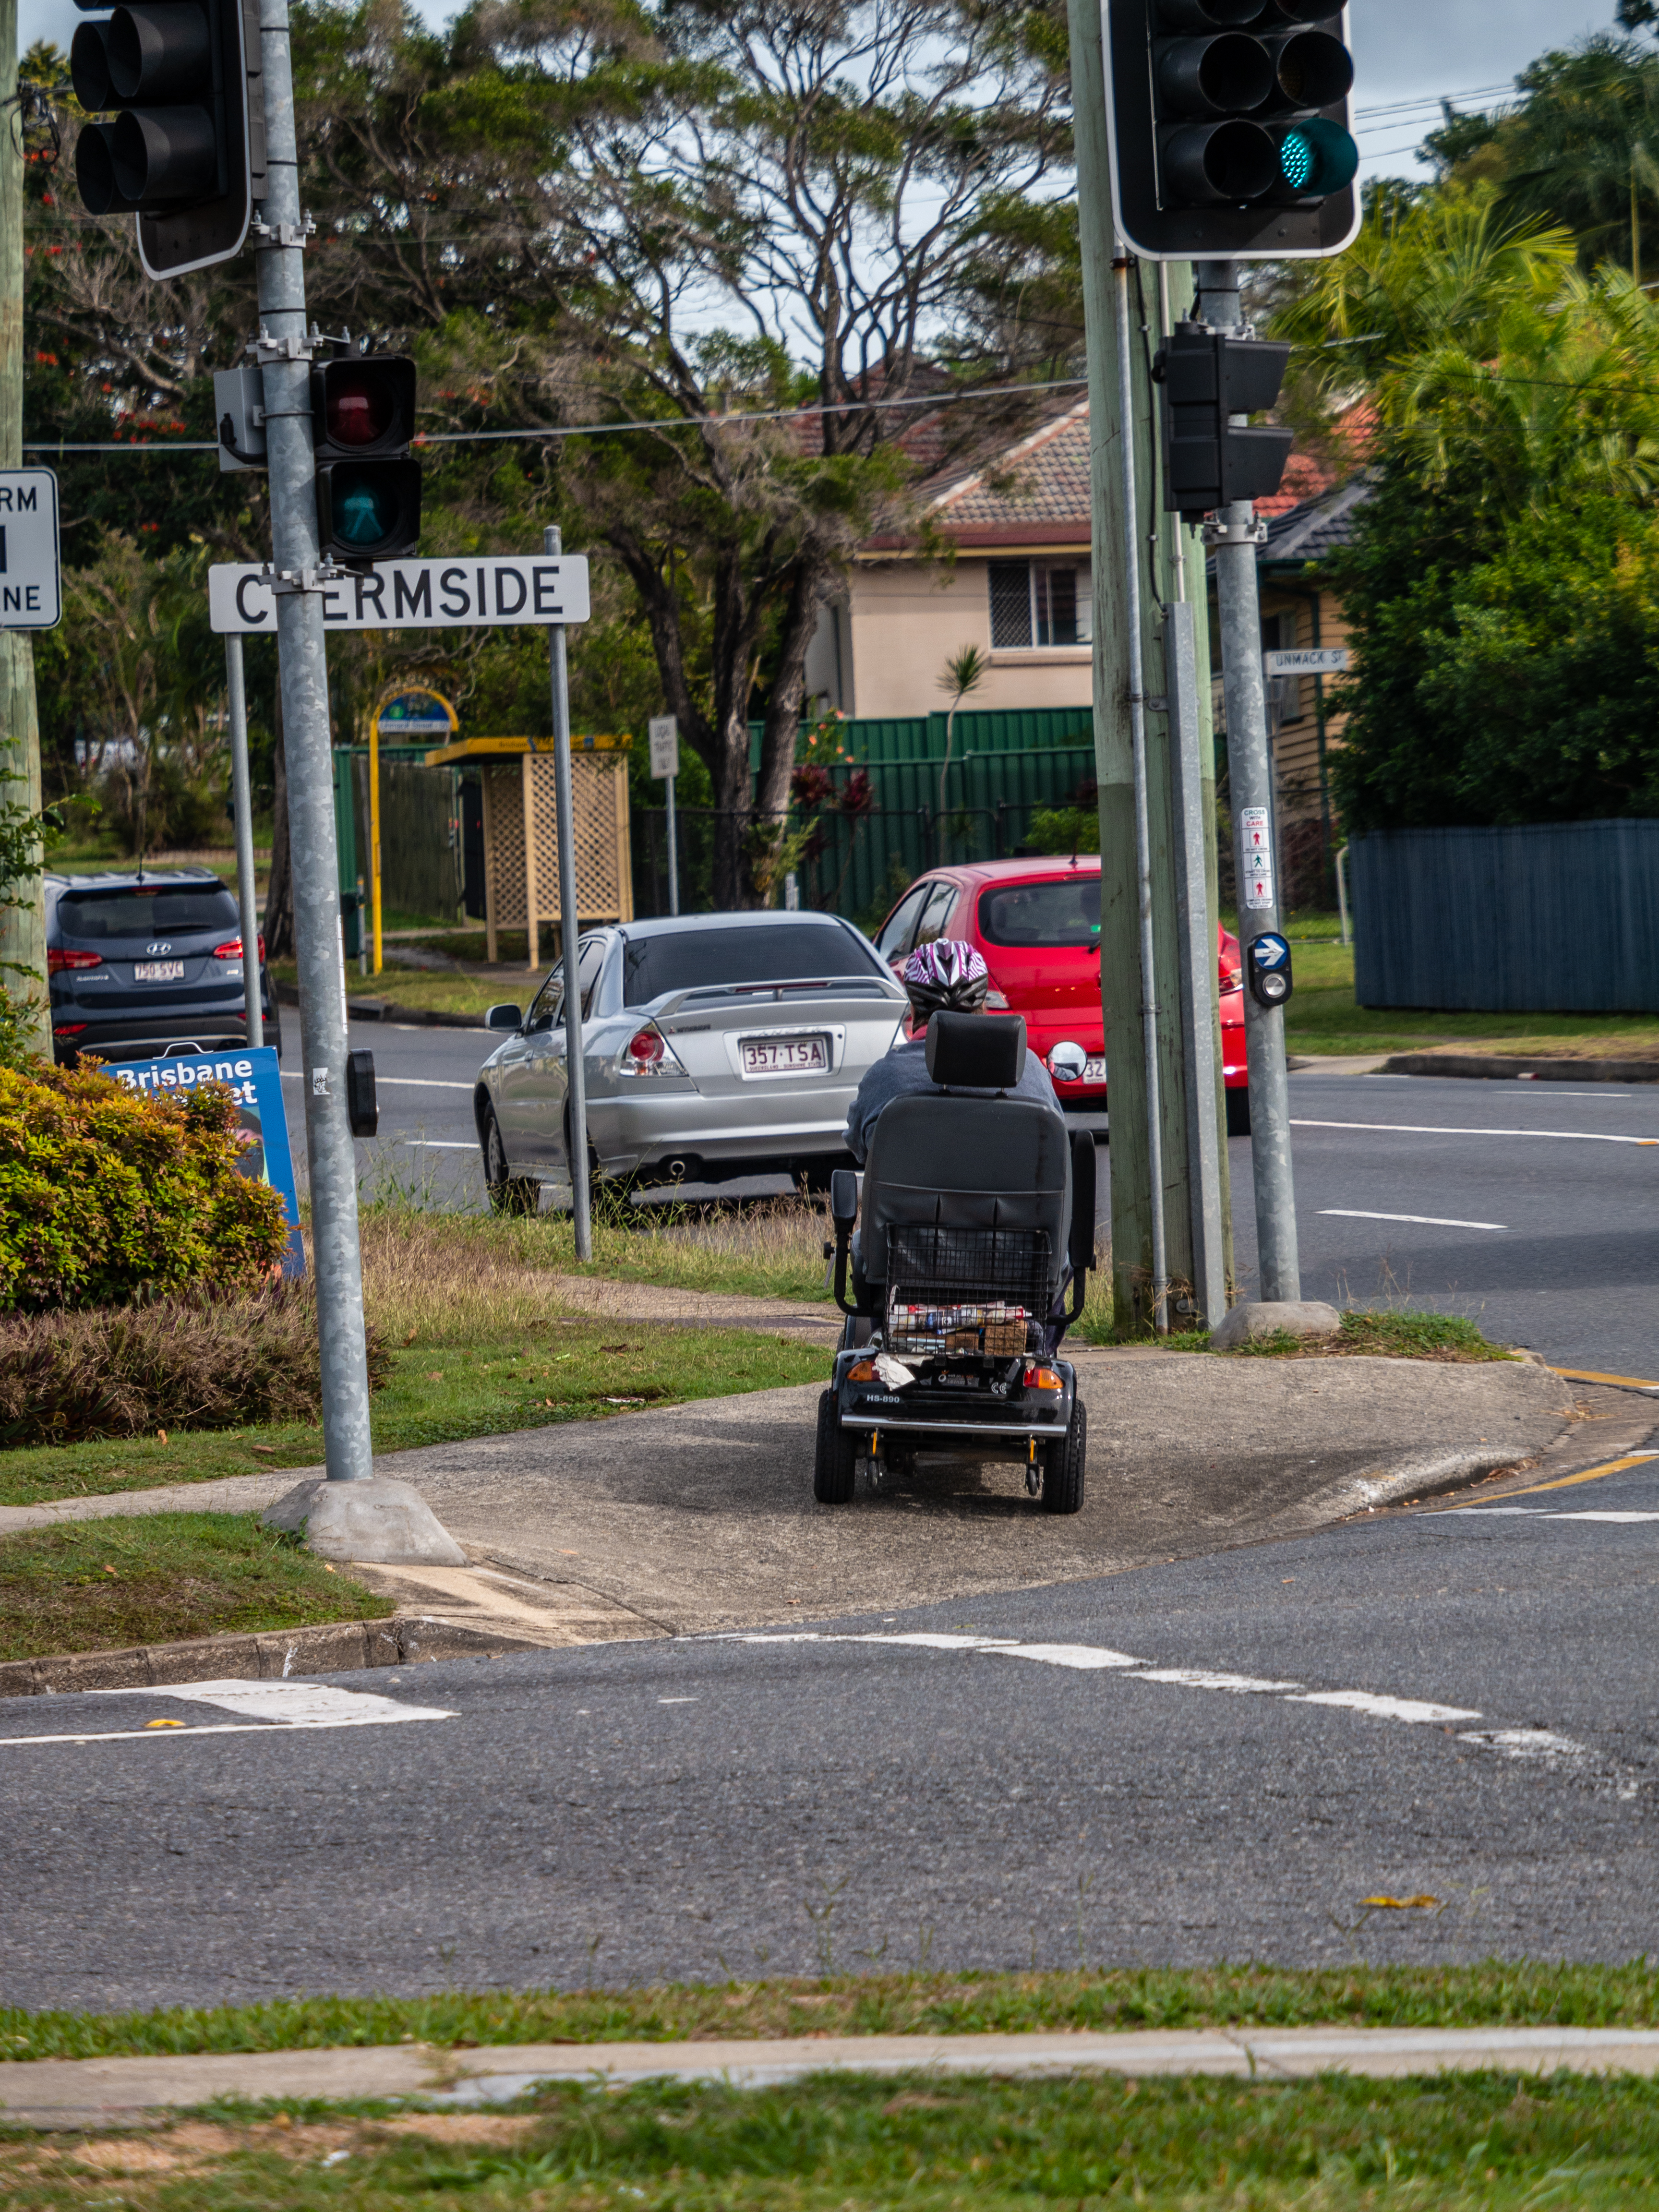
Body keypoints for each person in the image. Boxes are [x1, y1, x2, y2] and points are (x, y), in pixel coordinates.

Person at [842, 938, 1064, 1166]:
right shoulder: (1028, 1067)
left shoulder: (885, 1077)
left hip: (912, 1202)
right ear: (983, 1003)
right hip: (1017, 1202)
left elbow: (860, 1146)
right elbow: (1057, 1143)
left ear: (913, 1006)